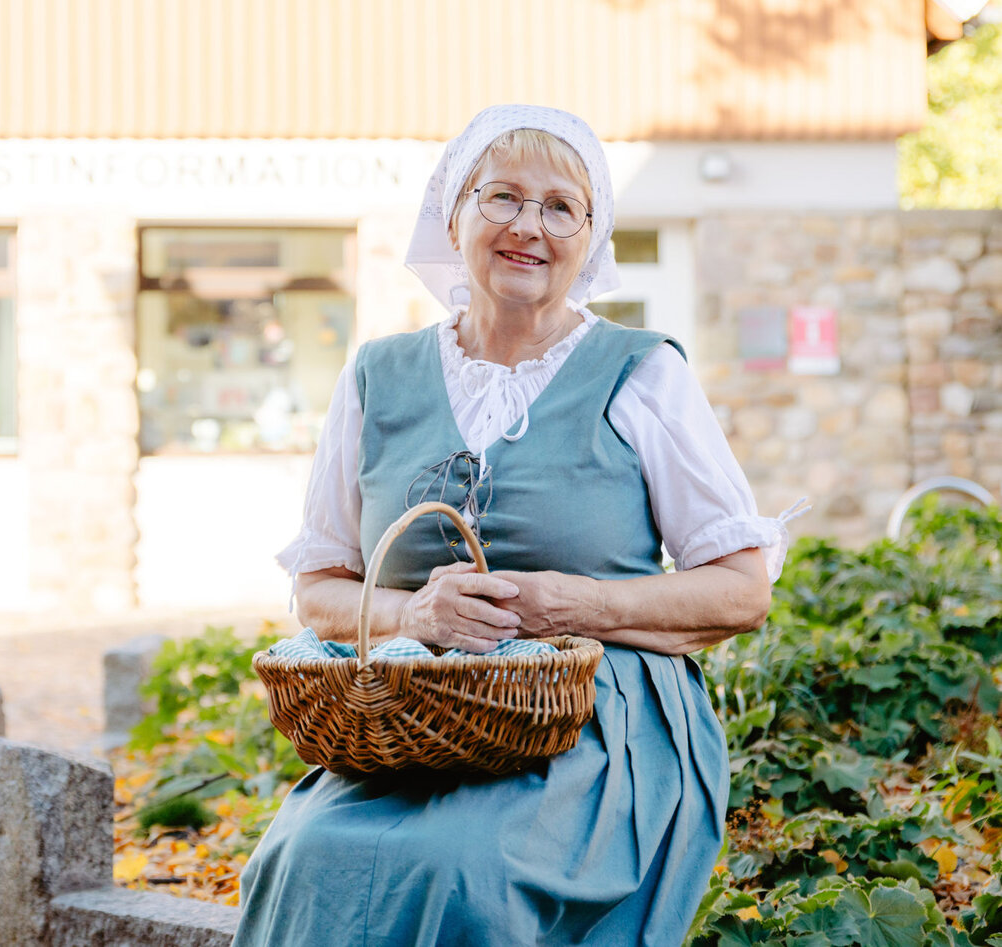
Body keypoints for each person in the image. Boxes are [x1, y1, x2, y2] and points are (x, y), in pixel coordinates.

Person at [232, 105, 803, 947]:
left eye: (561, 207)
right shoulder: (376, 376)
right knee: (302, 858)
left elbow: (742, 590)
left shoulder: (642, 374)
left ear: (589, 235)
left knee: (467, 871)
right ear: (454, 215)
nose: (528, 227)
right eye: (502, 197)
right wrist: (412, 616)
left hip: (594, 721)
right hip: (413, 722)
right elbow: (319, 588)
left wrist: (574, 604)